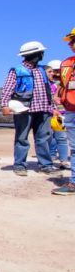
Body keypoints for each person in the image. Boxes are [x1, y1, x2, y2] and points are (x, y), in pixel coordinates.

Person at [0, 41, 56, 176]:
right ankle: (20, 165)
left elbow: (48, 89)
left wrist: (53, 107)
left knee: (43, 138)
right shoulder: (17, 70)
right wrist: (5, 105)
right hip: (24, 110)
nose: (43, 54)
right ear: (34, 54)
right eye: (41, 52)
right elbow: (7, 89)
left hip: (43, 109)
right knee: (22, 138)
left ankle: (46, 165)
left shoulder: (43, 70)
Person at [52, 28, 75, 195]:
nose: (70, 44)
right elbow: (63, 85)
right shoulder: (68, 64)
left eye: (73, 40)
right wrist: (58, 96)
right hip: (72, 110)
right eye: (70, 41)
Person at [45, 60, 69, 169]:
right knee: (51, 138)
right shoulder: (49, 85)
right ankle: (52, 156)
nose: (54, 74)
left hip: (60, 114)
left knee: (61, 137)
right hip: (50, 114)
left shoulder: (63, 85)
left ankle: (63, 160)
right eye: (51, 72)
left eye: (56, 72)